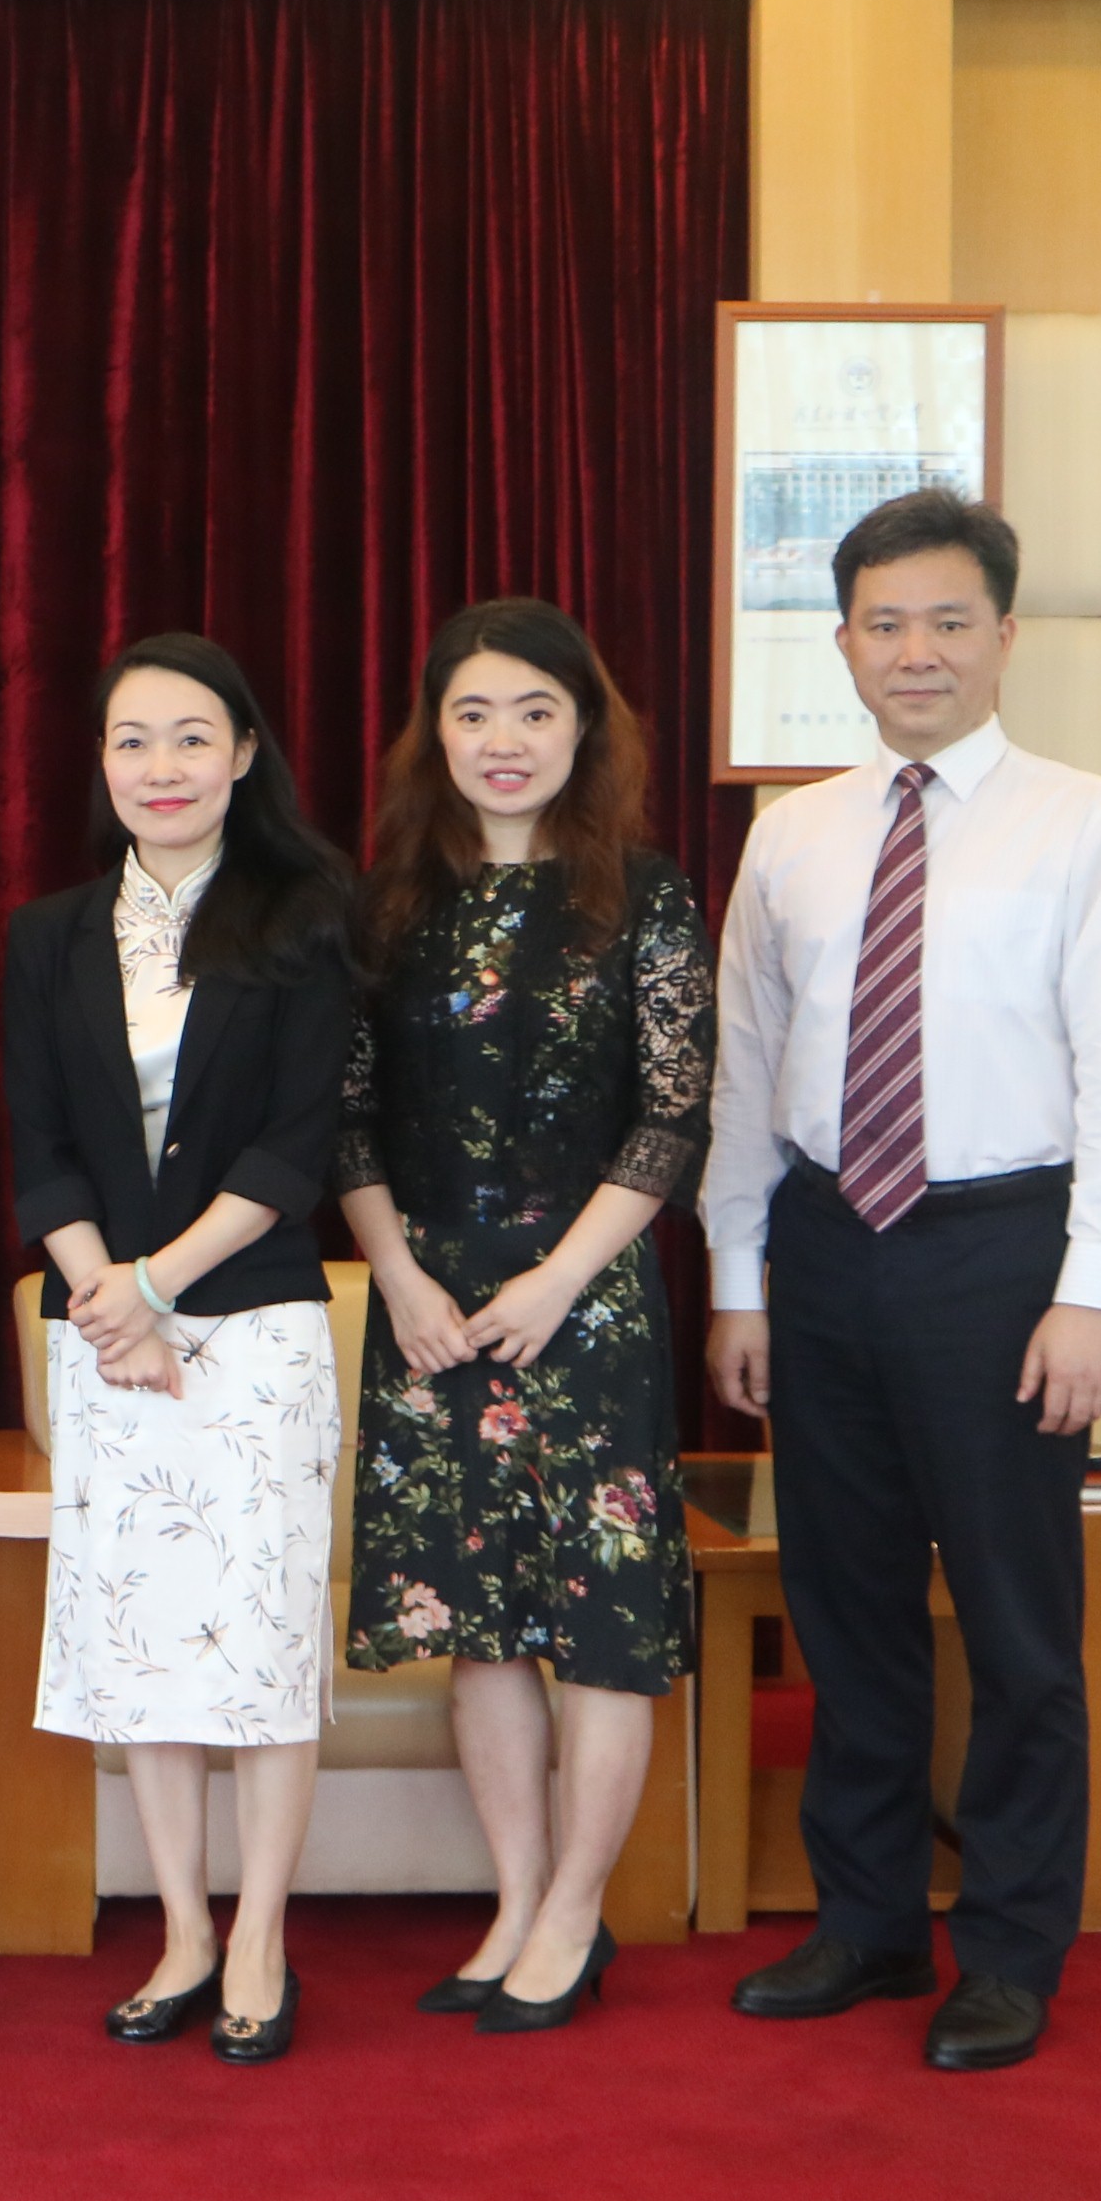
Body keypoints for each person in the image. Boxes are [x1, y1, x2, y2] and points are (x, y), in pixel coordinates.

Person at [706, 491, 1101, 2074]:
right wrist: (741, 1278)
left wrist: (1093, 1293)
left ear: (1006, 637)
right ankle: (869, 1923)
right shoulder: (792, 832)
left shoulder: (1090, 824)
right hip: (825, 1242)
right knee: (844, 1613)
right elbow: (747, 1071)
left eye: (950, 622)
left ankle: (1015, 1950)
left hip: (1003, 1254)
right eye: (886, 624)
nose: (918, 652)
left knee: (1019, 1626)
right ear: (842, 644)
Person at [334, 598, 709, 2033]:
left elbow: (673, 1113)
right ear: (434, 734)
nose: (505, 740)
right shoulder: (385, 906)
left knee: (600, 1621)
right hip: (429, 1307)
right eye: (475, 712)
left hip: (584, 1307)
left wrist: (561, 1279)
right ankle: (515, 1899)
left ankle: (574, 1914)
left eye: (536, 711)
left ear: (584, 729)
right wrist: (399, 1276)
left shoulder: (645, 897)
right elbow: (346, 1119)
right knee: (476, 1621)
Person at [6, 631, 354, 2064]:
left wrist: (157, 1287)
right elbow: (37, 1146)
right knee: (144, 1643)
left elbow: (296, 1144)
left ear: (245, 754)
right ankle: (184, 1932)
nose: (163, 767)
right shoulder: (50, 933)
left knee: (262, 1642)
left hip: (254, 1323)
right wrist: (109, 1301)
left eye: (193, 737)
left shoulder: (309, 914)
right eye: (133, 740)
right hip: (104, 1333)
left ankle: (261, 1935)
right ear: (101, 762)